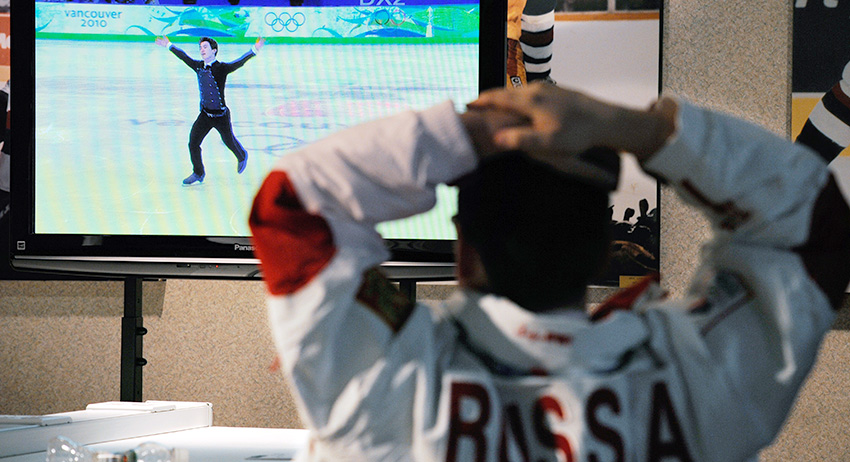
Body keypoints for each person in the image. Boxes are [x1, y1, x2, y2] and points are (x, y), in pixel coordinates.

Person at [249, 82, 850, 461]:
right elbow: (814, 224)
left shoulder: (386, 381)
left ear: (464, 252)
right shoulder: (700, 379)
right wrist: (633, 128)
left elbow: (292, 206)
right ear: (603, 252)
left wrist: (473, 133)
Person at [155, 36, 265, 185]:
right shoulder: (198, 66)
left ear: (214, 50)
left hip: (221, 115)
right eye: (200, 47)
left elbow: (239, 62)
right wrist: (168, 44)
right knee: (193, 143)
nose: (202, 50)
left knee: (229, 141)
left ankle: (242, 155)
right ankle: (198, 173)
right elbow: (183, 56)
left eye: (205, 47)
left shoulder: (222, 68)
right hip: (205, 115)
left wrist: (254, 49)